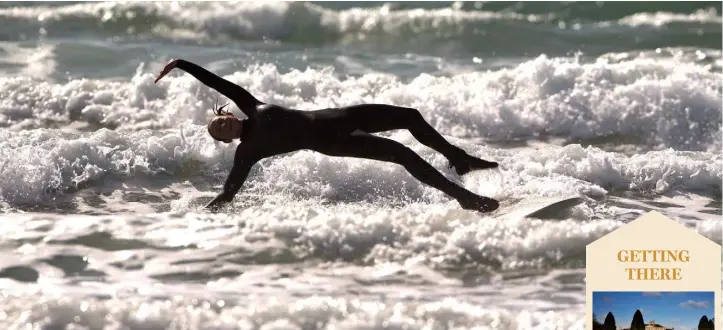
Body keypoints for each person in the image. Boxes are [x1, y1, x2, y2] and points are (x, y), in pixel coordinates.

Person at [154, 59, 501, 213]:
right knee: (401, 154)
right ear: (227, 141)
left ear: (229, 114)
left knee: (410, 116)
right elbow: (228, 195)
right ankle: (464, 198)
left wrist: (181, 64)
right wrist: (198, 215)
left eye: (222, 122)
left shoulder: (253, 105)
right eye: (220, 133)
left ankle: (458, 158)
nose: (224, 127)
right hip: (333, 143)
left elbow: (217, 82)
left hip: (340, 116)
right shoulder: (247, 153)